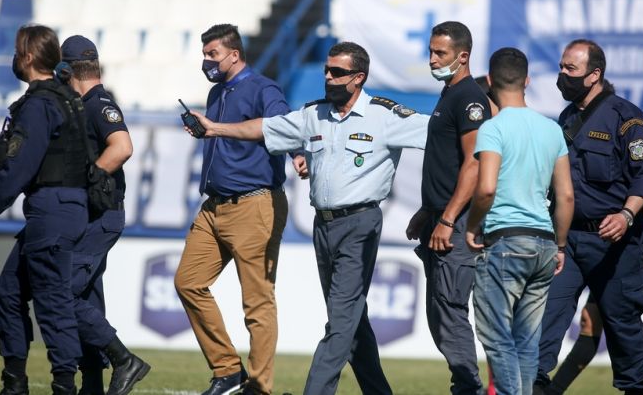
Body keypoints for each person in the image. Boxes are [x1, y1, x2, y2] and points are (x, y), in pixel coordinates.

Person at [182, 41, 430, 395]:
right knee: (352, 322)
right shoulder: (314, 114)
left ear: (359, 78)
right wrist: (215, 129)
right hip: (323, 226)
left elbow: (444, 136)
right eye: (326, 70)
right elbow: (265, 129)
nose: (328, 77)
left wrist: (435, 204)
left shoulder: (385, 115)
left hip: (360, 224)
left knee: (340, 322)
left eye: (338, 72)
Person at [0, 25, 90, 395]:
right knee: (7, 294)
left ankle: (64, 386)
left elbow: (18, 170)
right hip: (61, 209)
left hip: (53, 211)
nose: (14, 58)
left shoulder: (39, 105)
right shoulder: (64, 97)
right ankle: (15, 384)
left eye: (18, 51)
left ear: (29, 57)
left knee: (52, 304)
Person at [533, 39, 643, 395]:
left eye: (570, 69)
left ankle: (636, 388)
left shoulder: (626, 118)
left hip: (615, 242)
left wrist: (626, 214)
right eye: (561, 67)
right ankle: (534, 385)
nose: (562, 75)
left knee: (623, 323)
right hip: (568, 242)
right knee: (546, 317)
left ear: (594, 75)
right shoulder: (567, 118)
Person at [173, 24, 290, 395]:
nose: (207, 61)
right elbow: (218, 133)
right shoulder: (217, 91)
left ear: (234, 54)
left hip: (254, 204)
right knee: (188, 282)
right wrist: (208, 130)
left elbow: (277, 126)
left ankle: (259, 386)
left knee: (257, 302)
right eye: (205, 55)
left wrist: (216, 129)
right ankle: (228, 370)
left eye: (213, 54)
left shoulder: (263, 88)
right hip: (214, 206)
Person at [464, 47, 574, 395]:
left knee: (498, 338)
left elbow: (486, 189)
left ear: (490, 80)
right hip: (544, 242)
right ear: (527, 81)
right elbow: (566, 196)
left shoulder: (493, 128)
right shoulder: (551, 129)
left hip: (506, 241)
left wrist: (471, 226)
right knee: (527, 341)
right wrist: (560, 245)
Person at [61, 35, 150, 395]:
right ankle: (93, 382)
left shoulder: (99, 104)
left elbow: (123, 146)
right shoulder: (86, 104)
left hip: (100, 215)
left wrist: (88, 180)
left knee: (62, 292)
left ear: (68, 70)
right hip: (94, 216)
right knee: (87, 299)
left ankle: (124, 360)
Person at [405, 20, 490, 394]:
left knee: (451, 311)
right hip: (437, 218)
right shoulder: (448, 94)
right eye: (430, 51)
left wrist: (448, 218)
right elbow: (448, 165)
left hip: (454, 225)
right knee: (439, 315)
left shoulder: (469, 99)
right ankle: (466, 385)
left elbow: (474, 164)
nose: (432, 59)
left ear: (463, 56)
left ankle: (469, 389)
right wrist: (428, 211)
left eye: (440, 53)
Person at [544, 163, 643, 395]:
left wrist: (632, 216)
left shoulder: (627, 145)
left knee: (623, 322)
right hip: (583, 243)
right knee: (594, 321)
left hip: (617, 248)